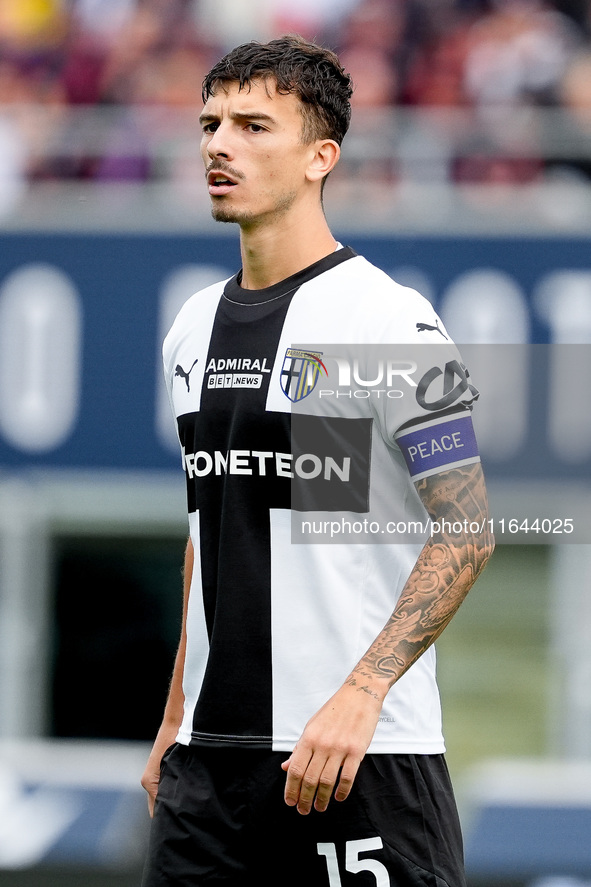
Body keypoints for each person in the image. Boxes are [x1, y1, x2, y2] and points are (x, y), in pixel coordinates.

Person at [141, 34, 494, 886]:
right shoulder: (191, 325)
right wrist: (174, 715)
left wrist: (361, 693)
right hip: (207, 774)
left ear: (318, 157)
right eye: (210, 122)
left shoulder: (386, 320)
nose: (219, 144)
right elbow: (213, 524)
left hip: (355, 758)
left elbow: (467, 529)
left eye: (254, 126)